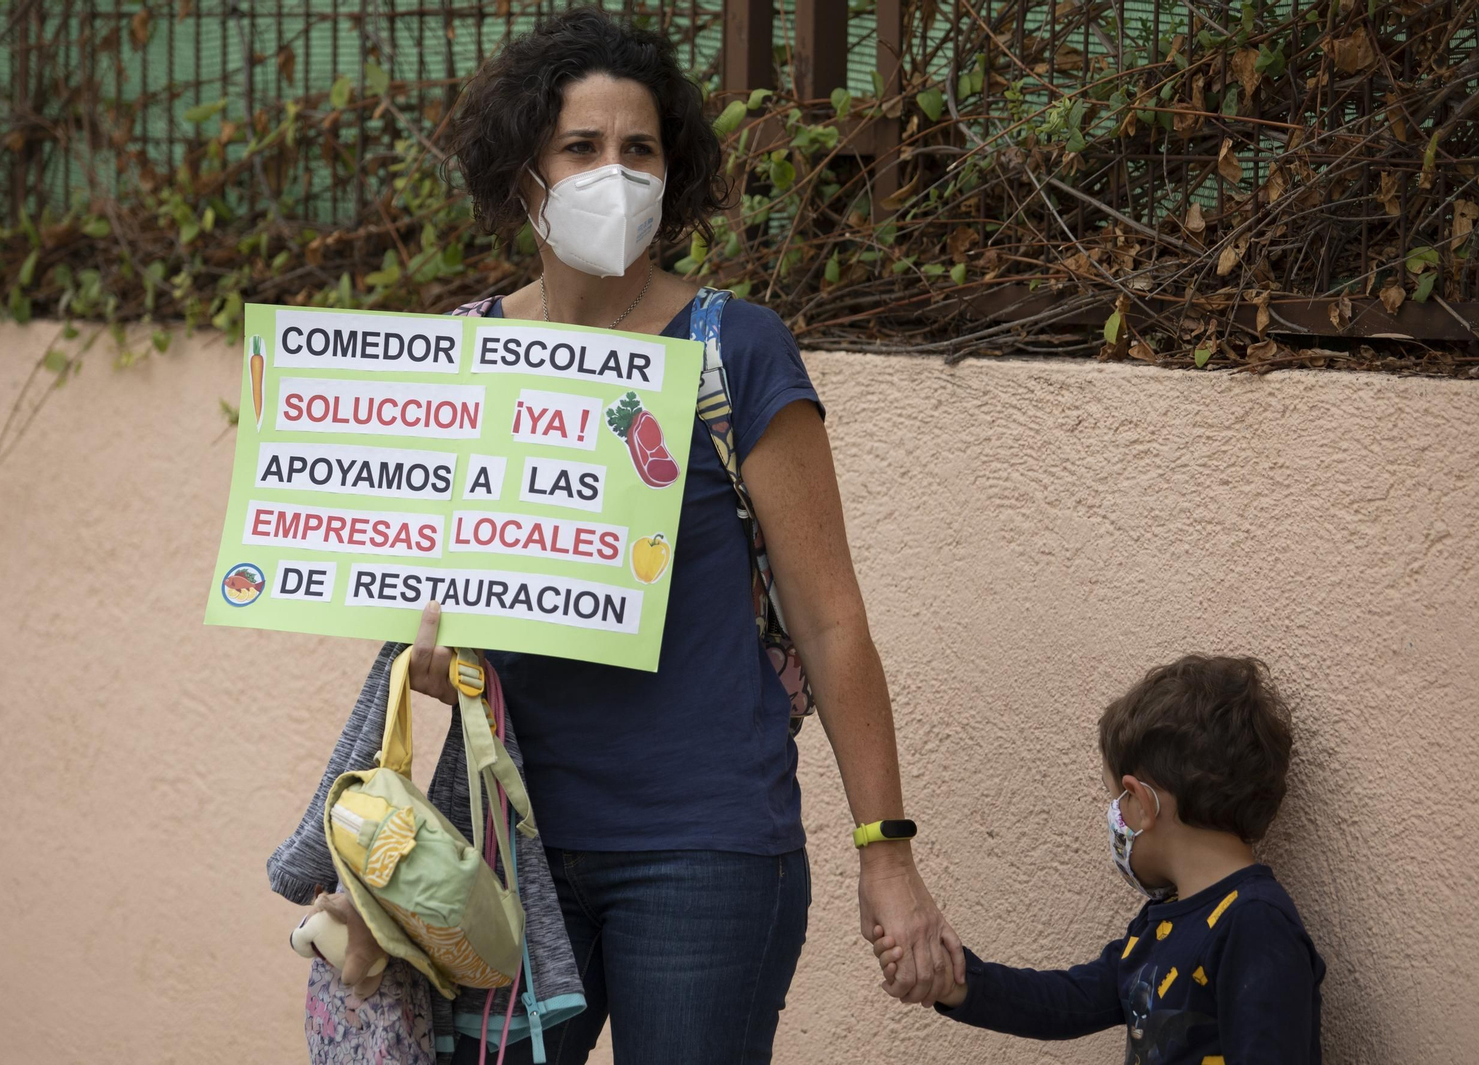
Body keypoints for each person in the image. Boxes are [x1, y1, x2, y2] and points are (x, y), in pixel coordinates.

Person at [407, 8, 962, 1063]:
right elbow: (425, 591)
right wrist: (434, 661)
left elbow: (831, 620)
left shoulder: (734, 350)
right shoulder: (459, 358)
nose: (612, 173)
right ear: (523, 168)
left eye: (639, 150)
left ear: (675, 171)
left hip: (702, 854)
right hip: (505, 848)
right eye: (580, 147)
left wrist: (884, 853)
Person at [872, 655, 1325, 1063]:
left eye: (1118, 800)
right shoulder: (1161, 923)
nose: (1115, 820)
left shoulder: (1255, 925)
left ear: (1143, 803)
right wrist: (957, 982)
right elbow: (1068, 1002)